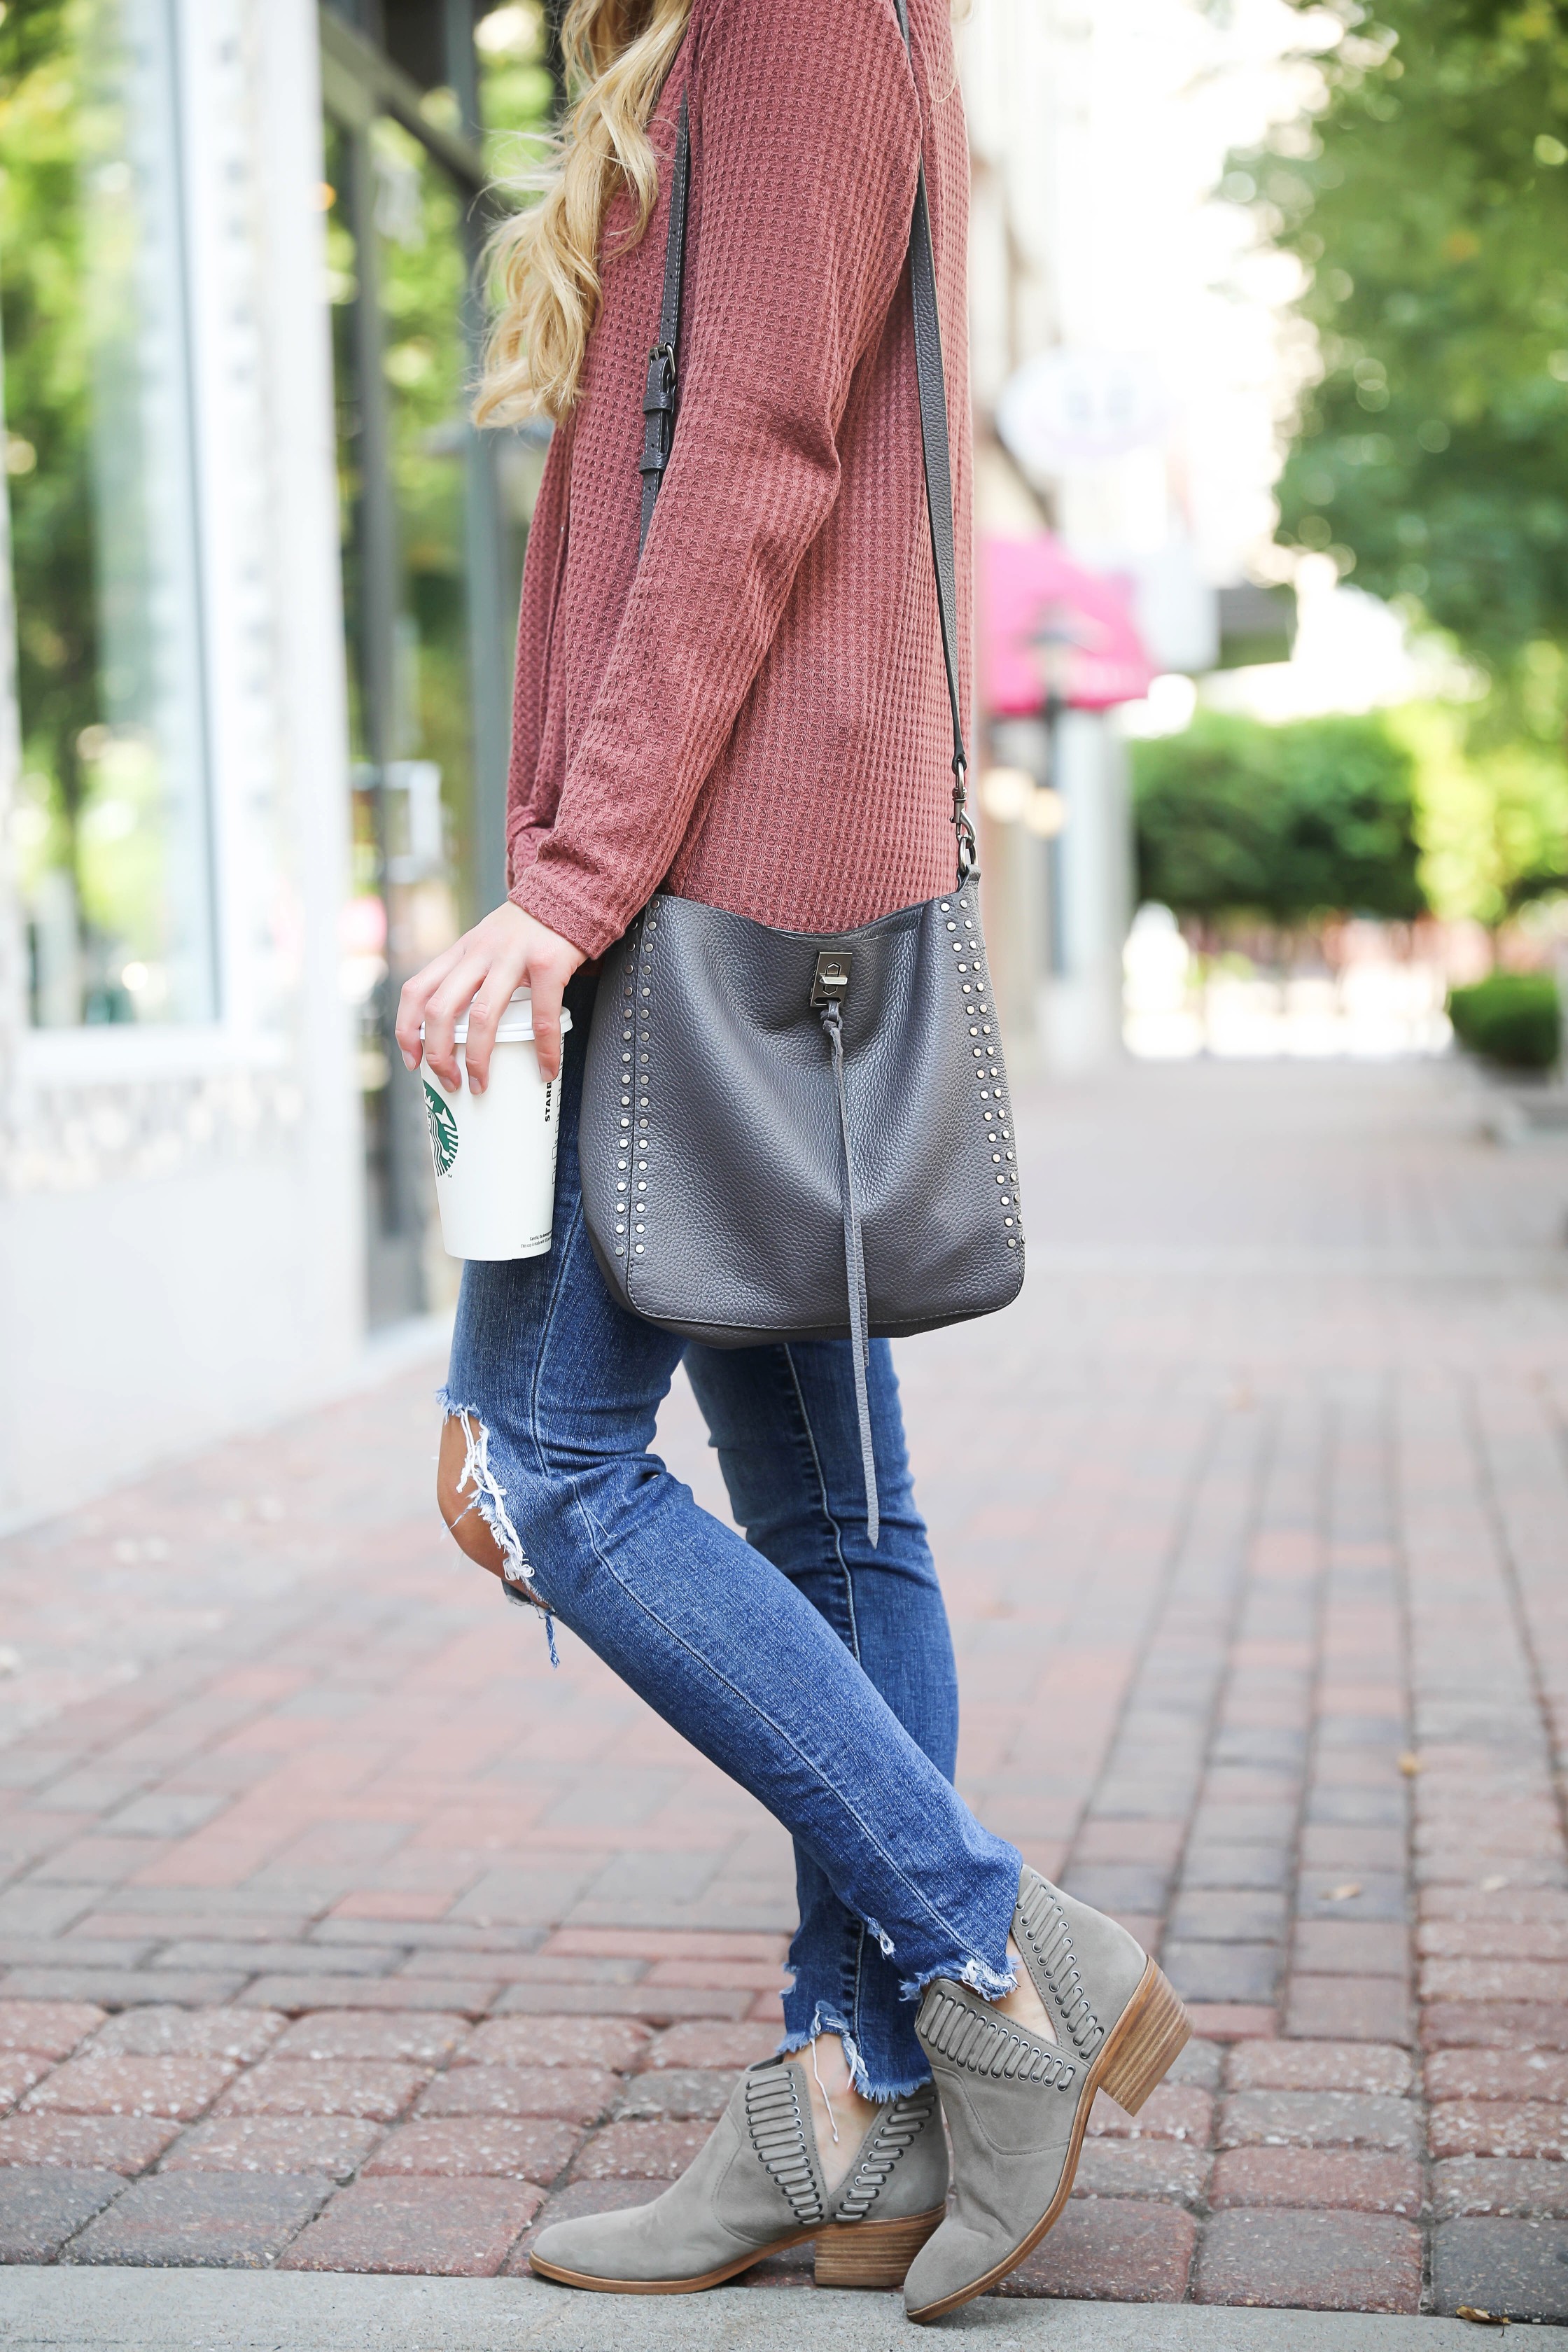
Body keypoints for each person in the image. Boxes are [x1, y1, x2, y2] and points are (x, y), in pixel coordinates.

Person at [394, 0, 1188, 2318]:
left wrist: (569, 888)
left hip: (710, 893)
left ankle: (983, 1965)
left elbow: (749, 462)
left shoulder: (814, 16)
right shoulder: (708, 40)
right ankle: (850, 2099)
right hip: (694, 877)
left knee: (560, 1474)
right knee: (831, 1509)